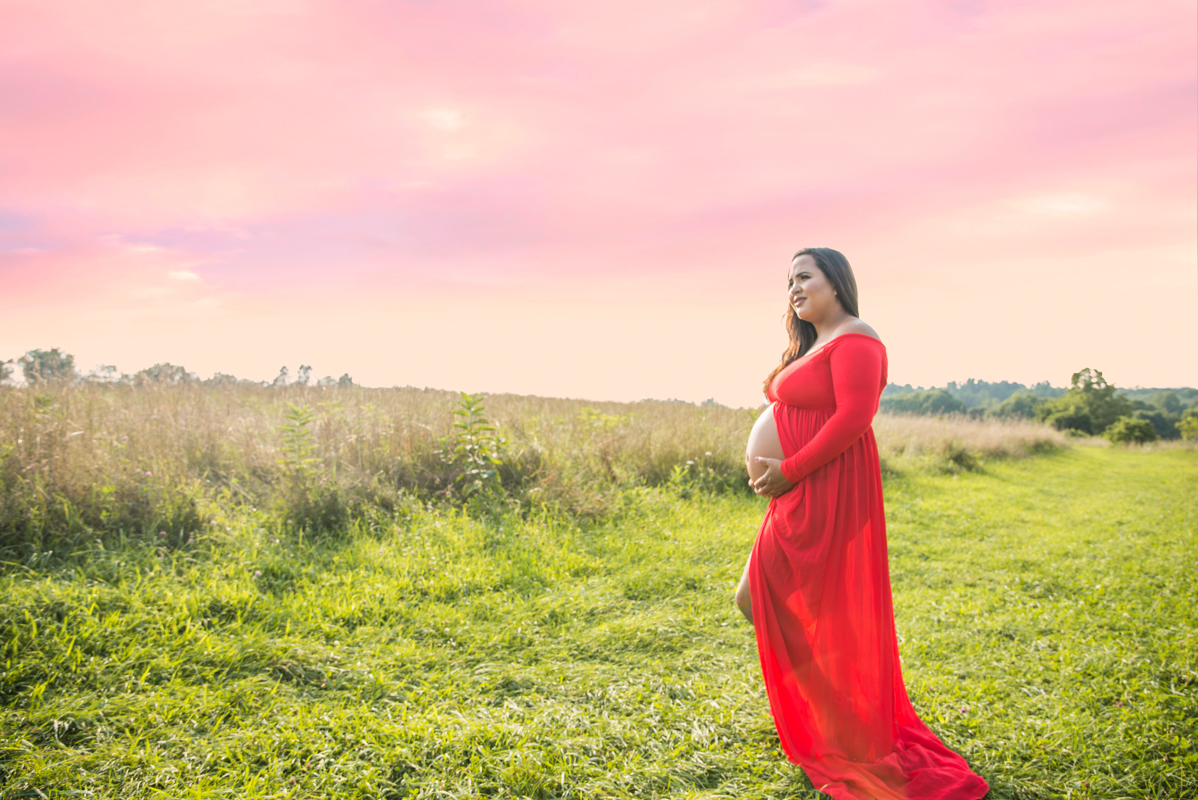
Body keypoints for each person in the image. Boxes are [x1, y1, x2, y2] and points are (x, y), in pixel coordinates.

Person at [736, 248, 989, 800]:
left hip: (825, 489)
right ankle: (839, 714)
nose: (794, 288)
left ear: (837, 282)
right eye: (789, 281)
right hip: (801, 491)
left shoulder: (858, 338)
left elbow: (855, 417)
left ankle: (841, 720)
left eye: (804, 276)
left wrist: (791, 470)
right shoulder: (819, 343)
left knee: (763, 599)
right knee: (763, 599)